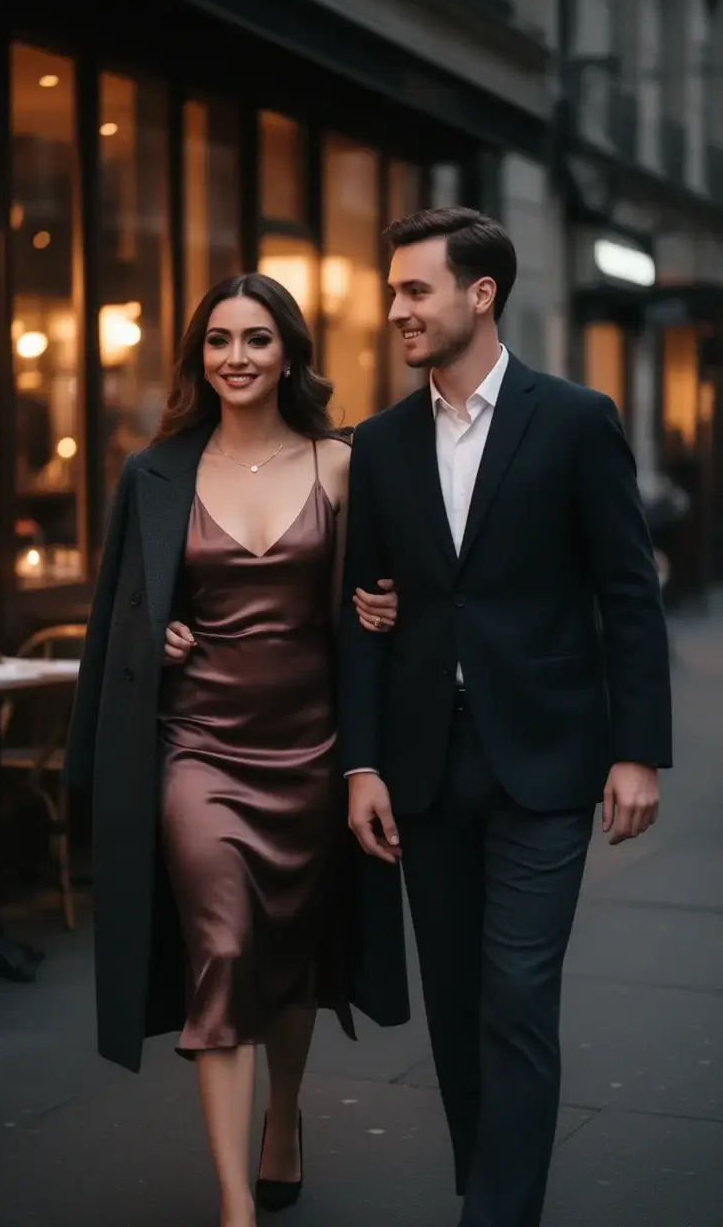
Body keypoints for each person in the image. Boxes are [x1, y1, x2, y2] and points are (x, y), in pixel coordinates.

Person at [339, 208, 672, 1227]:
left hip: (548, 757)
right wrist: (361, 765)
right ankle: (491, 1186)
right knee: (455, 1002)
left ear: (480, 295)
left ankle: (497, 1215)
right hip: (426, 768)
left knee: (517, 997)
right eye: (392, 291)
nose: (394, 309)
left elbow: (627, 592)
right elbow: (362, 612)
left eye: (413, 290)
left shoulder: (573, 418)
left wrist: (637, 751)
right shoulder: (380, 442)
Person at [63, 273, 398, 1227]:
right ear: (197, 356)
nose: (236, 358)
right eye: (218, 341)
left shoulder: (341, 465)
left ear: (287, 352)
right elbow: (115, 621)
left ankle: (283, 1120)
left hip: (311, 749)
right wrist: (152, 633)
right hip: (196, 749)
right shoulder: (155, 471)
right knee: (222, 947)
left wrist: (391, 606)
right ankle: (232, 1205)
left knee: (287, 961)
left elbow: (367, 609)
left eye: (256, 340)